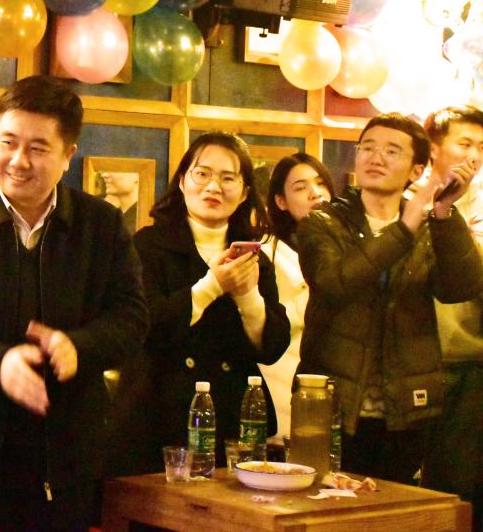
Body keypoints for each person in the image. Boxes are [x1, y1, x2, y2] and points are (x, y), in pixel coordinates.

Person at [0, 75, 148, 531]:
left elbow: (132, 319)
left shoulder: (101, 226)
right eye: (8, 143)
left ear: (68, 155)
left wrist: (80, 346)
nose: (18, 161)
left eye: (37, 148)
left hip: (66, 467)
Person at [296, 113, 483, 485]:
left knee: (397, 507)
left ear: (416, 171)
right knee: (328, 506)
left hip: (406, 406)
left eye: (391, 151)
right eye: (367, 147)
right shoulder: (324, 223)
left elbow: (460, 287)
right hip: (335, 402)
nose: (375, 158)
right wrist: (404, 228)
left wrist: (444, 213)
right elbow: (334, 283)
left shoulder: (430, 226)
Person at [106, 132, 289, 476]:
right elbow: (144, 326)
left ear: (245, 192)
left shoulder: (253, 256)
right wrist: (212, 286)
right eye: (202, 174)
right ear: (182, 181)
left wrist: (248, 295)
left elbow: (272, 348)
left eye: (228, 178)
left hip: (232, 421)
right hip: (158, 416)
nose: (213, 187)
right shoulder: (147, 245)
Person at [418, 105, 483, 530]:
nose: (474, 155)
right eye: (465, 143)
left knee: (461, 486)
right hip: (415, 360)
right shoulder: (408, 202)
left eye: (481, 147)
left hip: (471, 361)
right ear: (433, 149)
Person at [258, 153, 335, 438]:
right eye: (300, 187)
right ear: (281, 201)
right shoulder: (267, 254)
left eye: (320, 183)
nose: (315, 193)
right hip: (282, 378)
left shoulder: (349, 248)